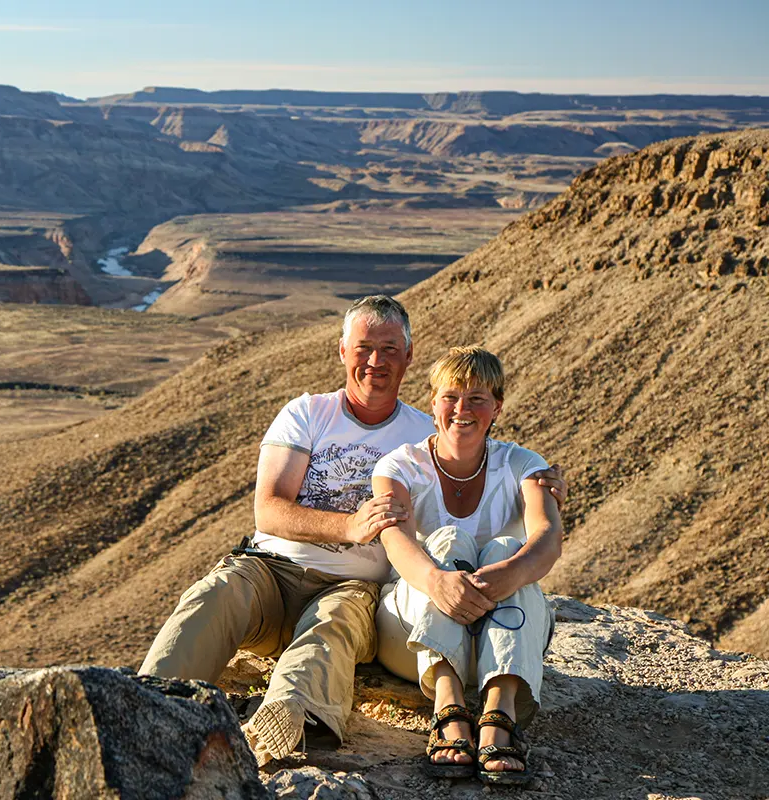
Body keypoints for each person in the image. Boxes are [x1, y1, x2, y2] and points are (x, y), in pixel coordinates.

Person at [138, 296, 566, 768]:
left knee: (331, 630)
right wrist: (349, 526)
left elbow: (477, 470)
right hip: (270, 570)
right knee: (213, 594)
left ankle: (286, 727)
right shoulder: (308, 414)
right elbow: (268, 511)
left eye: (389, 348)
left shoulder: (429, 433)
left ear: (408, 355)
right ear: (343, 351)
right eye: (364, 347)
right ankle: (145, 708)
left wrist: (544, 485)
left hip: (354, 586)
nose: (375, 361)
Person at [371, 345, 562, 786]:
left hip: (499, 637)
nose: (462, 409)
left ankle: (498, 711)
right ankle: (448, 704)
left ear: (497, 407)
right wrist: (438, 582)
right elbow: (397, 541)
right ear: (433, 402)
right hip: (414, 637)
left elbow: (547, 538)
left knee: (505, 549)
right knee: (448, 540)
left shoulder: (523, 464)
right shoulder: (399, 467)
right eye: (451, 396)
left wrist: (507, 574)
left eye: (477, 398)